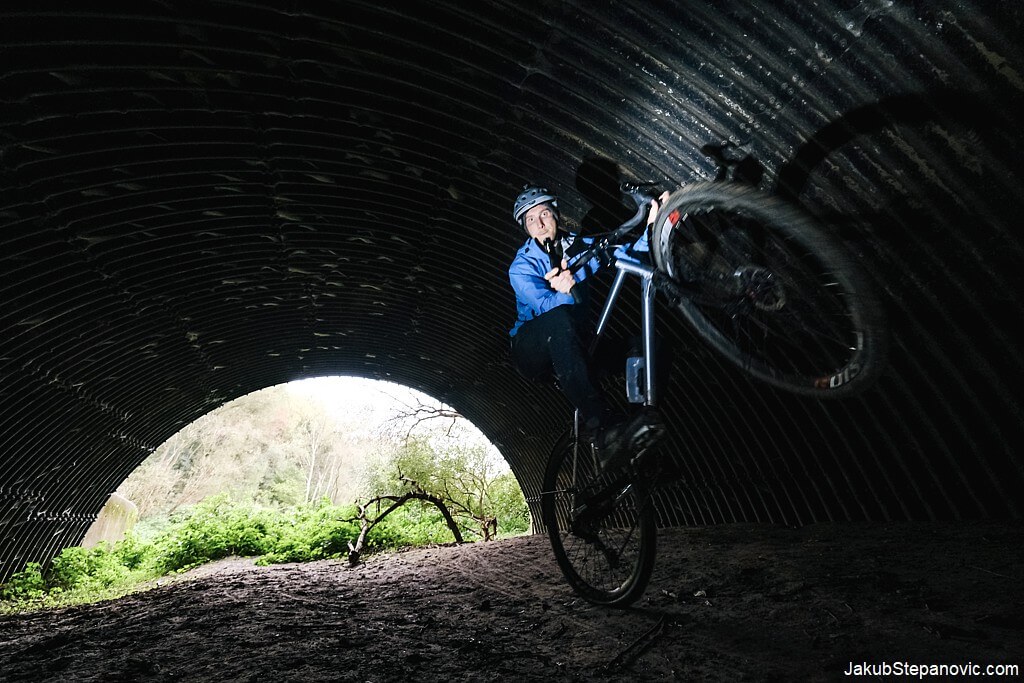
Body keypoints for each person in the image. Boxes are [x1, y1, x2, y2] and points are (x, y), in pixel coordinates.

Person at [507, 183, 668, 470]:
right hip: (531, 350)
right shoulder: (522, 266)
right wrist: (561, 292)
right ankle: (603, 430)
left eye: (544, 214)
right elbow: (545, 306)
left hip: (576, 343)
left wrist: (654, 225)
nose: (540, 223)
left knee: (649, 346)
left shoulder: (580, 246)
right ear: (526, 228)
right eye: (531, 219)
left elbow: (628, 258)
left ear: (556, 215)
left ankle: (637, 433)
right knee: (560, 319)